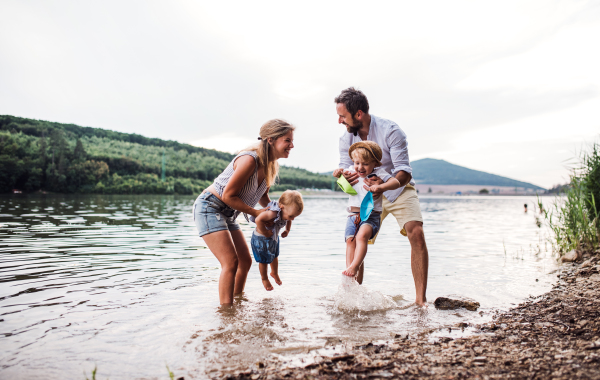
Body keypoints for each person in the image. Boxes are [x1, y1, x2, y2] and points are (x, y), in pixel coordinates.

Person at [334, 87, 429, 306]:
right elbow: (343, 170)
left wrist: (384, 186)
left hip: (395, 187)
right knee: (356, 238)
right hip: (365, 193)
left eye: (343, 116)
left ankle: (420, 302)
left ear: (358, 114)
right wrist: (345, 179)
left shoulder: (391, 131)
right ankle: (352, 302)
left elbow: (404, 171)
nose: (339, 120)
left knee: (416, 231)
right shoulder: (345, 139)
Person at [192, 119, 295, 305]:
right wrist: (256, 214)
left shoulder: (271, 164)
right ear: (271, 140)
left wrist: (278, 210)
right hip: (210, 206)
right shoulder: (249, 160)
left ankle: (237, 302)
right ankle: (226, 314)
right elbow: (228, 195)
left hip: (229, 212)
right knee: (230, 262)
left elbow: (262, 195)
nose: (292, 145)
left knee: (245, 261)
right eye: (287, 140)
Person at [333, 141, 400, 279]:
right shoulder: (351, 171)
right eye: (357, 163)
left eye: (365, 164)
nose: (360, 167)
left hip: (371, 216)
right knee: (350, 241)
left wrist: (382, 187)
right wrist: (337, 173)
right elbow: (340, 177)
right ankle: (350, 275)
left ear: (375, 164)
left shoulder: (379, 173)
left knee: (361, 237)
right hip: (352, 215)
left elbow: (396, 182)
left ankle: (355, 266)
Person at [250, 190, 304, 291]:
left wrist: (287, 230)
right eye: (291, 216)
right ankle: (264, 278)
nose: (292, 219)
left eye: (294, 217)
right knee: (263, 260)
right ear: (282, 207)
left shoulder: (287, 212)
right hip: (261, 239)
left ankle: (274, 272)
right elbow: (258, 220)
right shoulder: (272, 213)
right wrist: (265, 233)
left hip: (273, 238)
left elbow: (288, 220)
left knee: (275, 255)